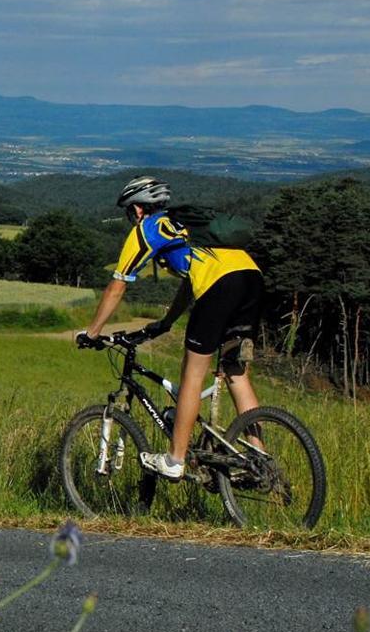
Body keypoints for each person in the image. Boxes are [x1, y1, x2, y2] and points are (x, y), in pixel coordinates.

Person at [77, 176, 264, 479]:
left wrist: (93, 332)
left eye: (129, 212)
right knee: (236, 374)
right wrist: (166, 323)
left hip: (219, 287)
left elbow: (116, 286)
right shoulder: (186, 224)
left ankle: (175, 460)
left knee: (192, 373)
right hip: (251, 279)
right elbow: (192, 281)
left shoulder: (147, 229)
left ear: (137, 210)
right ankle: (260, 461)